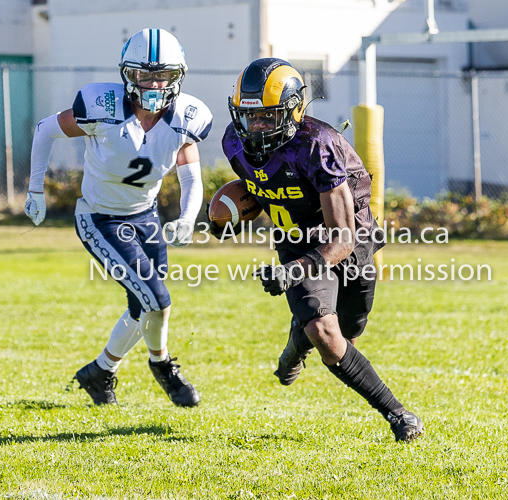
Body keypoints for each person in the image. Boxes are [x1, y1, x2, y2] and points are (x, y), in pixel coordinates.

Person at [214, 58, 424, 442]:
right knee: (327, 336)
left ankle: (297, 339)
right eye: (248, 117)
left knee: (347, 335)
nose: (254, 128)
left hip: (347, 233)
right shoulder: (233, 141)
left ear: (293, 110)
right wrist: (228, 213)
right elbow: (261, 185)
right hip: (295, 236)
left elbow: (342, 237)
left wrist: (294, 272)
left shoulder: (316, 146)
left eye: (266, 117)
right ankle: (398, 414)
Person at [25, 28, 212, 407]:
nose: (154, 83)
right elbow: (45, 130)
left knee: (141, 304)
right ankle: (162, 366)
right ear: (128, 74)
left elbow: (191, 176)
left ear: (179, 76)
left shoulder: (186, 117)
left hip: (146, 216)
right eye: (144, 74)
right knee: (157, 302)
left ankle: (100, 371)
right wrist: (33, 189)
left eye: (164, 75)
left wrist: (188, 218)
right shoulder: (102, 105)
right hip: (100, 218)